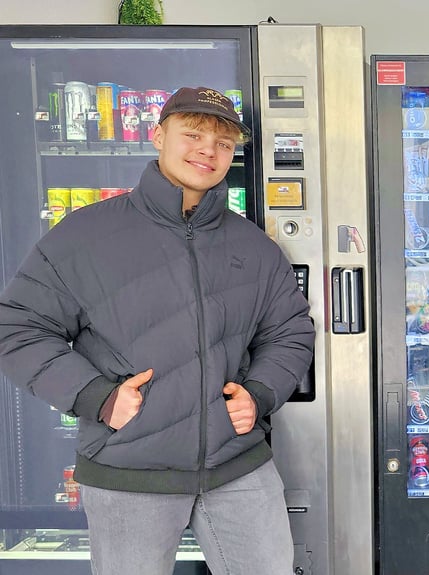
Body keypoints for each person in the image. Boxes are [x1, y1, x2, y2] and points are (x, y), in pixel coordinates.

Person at [0, 87, 314, 575]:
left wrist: (262, 391)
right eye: (193, 134)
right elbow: (18, 327)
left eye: (224, 144)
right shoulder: (84, 236)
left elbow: (290, 330)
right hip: (128, 472)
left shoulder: (253, 247)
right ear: (157, 136)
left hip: (238, 467)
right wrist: (95, 396)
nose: (208, 151)